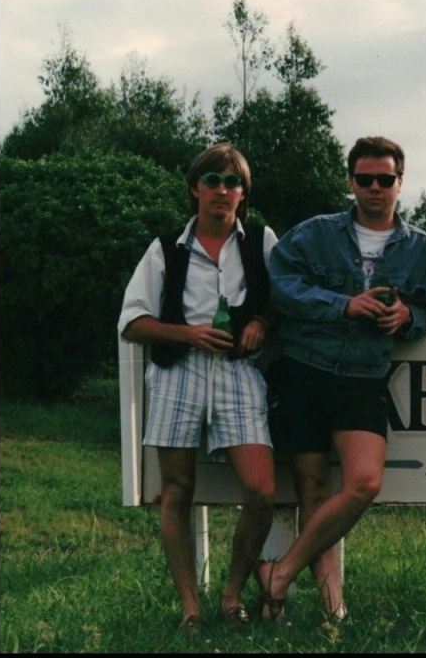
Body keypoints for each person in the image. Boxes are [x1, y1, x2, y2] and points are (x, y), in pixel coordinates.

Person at [258, 136, 426, 627]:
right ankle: (333, 607)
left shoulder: (419, 246)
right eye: (365, 179)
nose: (375, 188)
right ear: (351, 182)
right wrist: (343, 304)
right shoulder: (313, 233)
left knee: (363, 483)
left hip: (363, 377)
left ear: (400, 182)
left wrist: (407, 317)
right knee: (313, 491)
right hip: (304, 369)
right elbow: (282, 289)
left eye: (385, 179)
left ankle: (279, 571)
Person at [118, 143, 279, 632]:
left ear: (243, 193)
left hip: (237, 372)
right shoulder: (167, 247)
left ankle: (232, 596)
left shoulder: (261, 241)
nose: (222, 190)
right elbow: (133, 322)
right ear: (195, 188)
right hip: (178, 372)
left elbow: (286, 300)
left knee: (261, 490)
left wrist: (263, 323)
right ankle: (191, 608)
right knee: (177, 491)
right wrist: (189, 334)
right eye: (213, 181)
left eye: (233, 182)